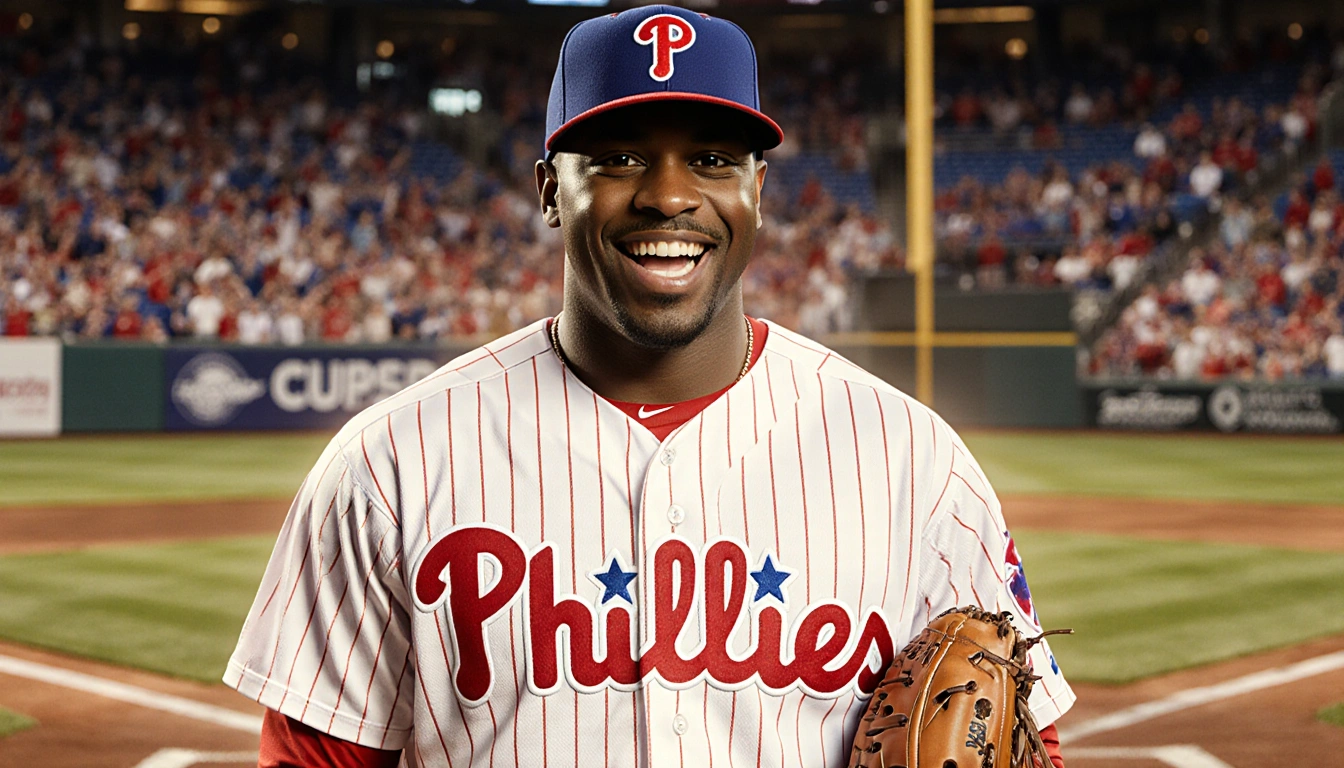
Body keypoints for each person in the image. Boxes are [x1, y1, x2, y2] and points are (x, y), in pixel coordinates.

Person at [224, 7, 1075, 767]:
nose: (670, 196)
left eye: (711, 159)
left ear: (758, 192)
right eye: (619, 157)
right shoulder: (388, 466)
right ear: (550, 190)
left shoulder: (915, 462)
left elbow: (1029, 737)